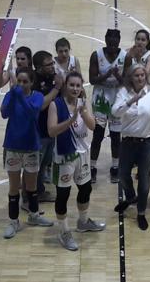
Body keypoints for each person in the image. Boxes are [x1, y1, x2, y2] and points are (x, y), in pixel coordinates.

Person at [47, 72, 105, 251]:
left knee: (85, 189)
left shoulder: (83, 103)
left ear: (81, 88)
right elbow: (51, 131)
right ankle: (64, 231)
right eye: (71, 85)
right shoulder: (55, 105)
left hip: (82, 154)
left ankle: (83, 221)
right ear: (65, 86)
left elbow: (93, 126)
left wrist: (84, 111)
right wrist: (71, 119)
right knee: (63, 195)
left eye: (78, 86)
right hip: (64, 157)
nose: (74, 88)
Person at [112, 64, 150, 230]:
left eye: (142, 75)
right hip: (128, 142)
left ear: (146, 76)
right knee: (122, 174)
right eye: (136, 75)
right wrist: (131, 101)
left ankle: (141, 213)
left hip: (148, 142)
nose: (140, 78)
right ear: (131, 77)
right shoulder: (123, 92)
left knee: (144, 179)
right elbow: (115, 112)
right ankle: (130, 197)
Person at [1, 67, 54, 238]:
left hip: (31, 147)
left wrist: (18, 94)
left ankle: (34, 215)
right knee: (14, 187)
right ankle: (13, 221)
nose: (22, 84)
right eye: (20, 81)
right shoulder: (12, 94)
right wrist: (13, 94)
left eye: (25, 81)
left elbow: (32, 112)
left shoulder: (37, 96)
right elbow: (4, 113)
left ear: (32, 83)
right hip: (13, 147)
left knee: (31, 187)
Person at [89, 29, 126, 183]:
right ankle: (92, 167)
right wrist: (107, 74)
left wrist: (116, 75)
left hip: (117, 100)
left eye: (114, 42)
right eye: (109, 41)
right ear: (105, 40)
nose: (111, 44)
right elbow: (92, 80)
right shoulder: (96, 55)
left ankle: (115, 167)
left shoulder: (125, 56)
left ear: (118, 41)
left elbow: (127, 82)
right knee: (98, 135)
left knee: (116, 137)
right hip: (101, 100)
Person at [28, 51, 62, 206]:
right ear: (39, 67)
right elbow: (41, 105)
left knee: (44, 163)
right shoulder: (33, 81)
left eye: (52, 63)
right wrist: (56, 88)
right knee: (34, 166)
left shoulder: (52, 77)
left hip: (50, 130)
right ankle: (28, 197)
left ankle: (39, 191)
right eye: (49, 64)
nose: (52, 66)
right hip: (37, 131)